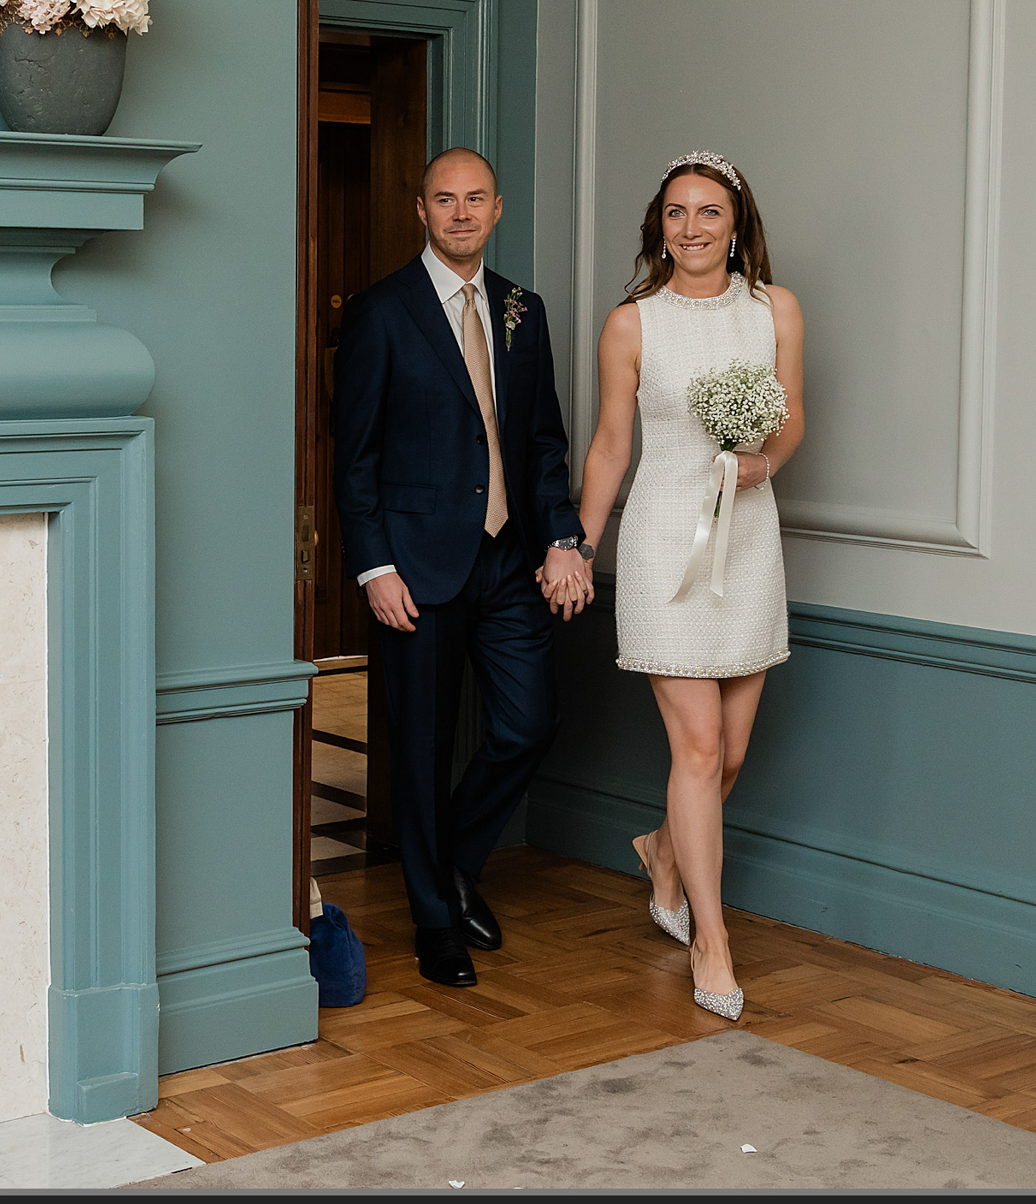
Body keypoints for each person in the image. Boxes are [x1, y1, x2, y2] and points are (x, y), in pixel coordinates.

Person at [331, 146, 592, 988]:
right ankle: (434, 921)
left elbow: (544, 443)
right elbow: (356, 457)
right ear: (421, 210)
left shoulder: (524, 310)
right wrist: (375, 567)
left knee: (528, 722)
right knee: (422, 743)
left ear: (498, 208)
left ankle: (448, 860)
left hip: (510, 557)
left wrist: (563, 538)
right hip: (417, 565)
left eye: (475, 199)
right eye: (445, 200)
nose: (461, 213)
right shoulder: (381, 313)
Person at [572, 151, 804, 1019]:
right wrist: (578, 542)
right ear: (657, 225)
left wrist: (761, 461)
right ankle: (712, 936)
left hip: (748, 540)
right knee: (698, 748)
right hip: (666, 542)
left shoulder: (775, 310)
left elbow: (795, 414)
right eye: (676, 213)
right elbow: (608, 446)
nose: (692, 228)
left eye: (709, 212)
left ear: (736, 224)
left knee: (731, 752)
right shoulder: (633, 323)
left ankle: (665, 850)